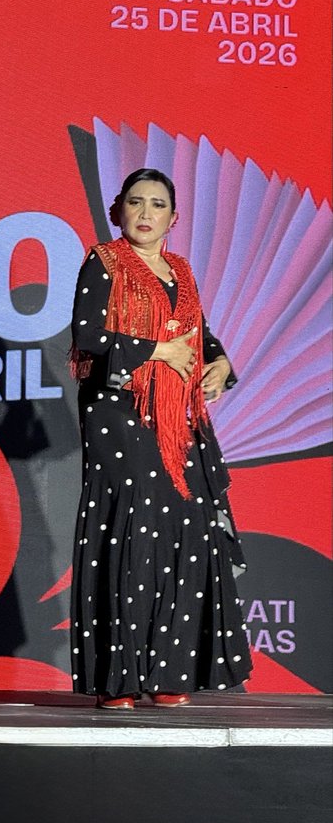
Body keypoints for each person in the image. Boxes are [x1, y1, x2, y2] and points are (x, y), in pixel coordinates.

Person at [68, 167, 252, 708]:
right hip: (118, 411)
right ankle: (119, 679)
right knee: (132, 529)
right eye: (136, 202)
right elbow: (88, 336)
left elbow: (200, 334)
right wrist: (158, 351)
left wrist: (220, 363)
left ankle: (170, 672)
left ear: (174, 218)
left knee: (185, 528)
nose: (145, 213)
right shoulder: (103, 262)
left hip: (176, 415)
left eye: (157, 204)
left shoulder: (181, 271)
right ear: (118, 211)